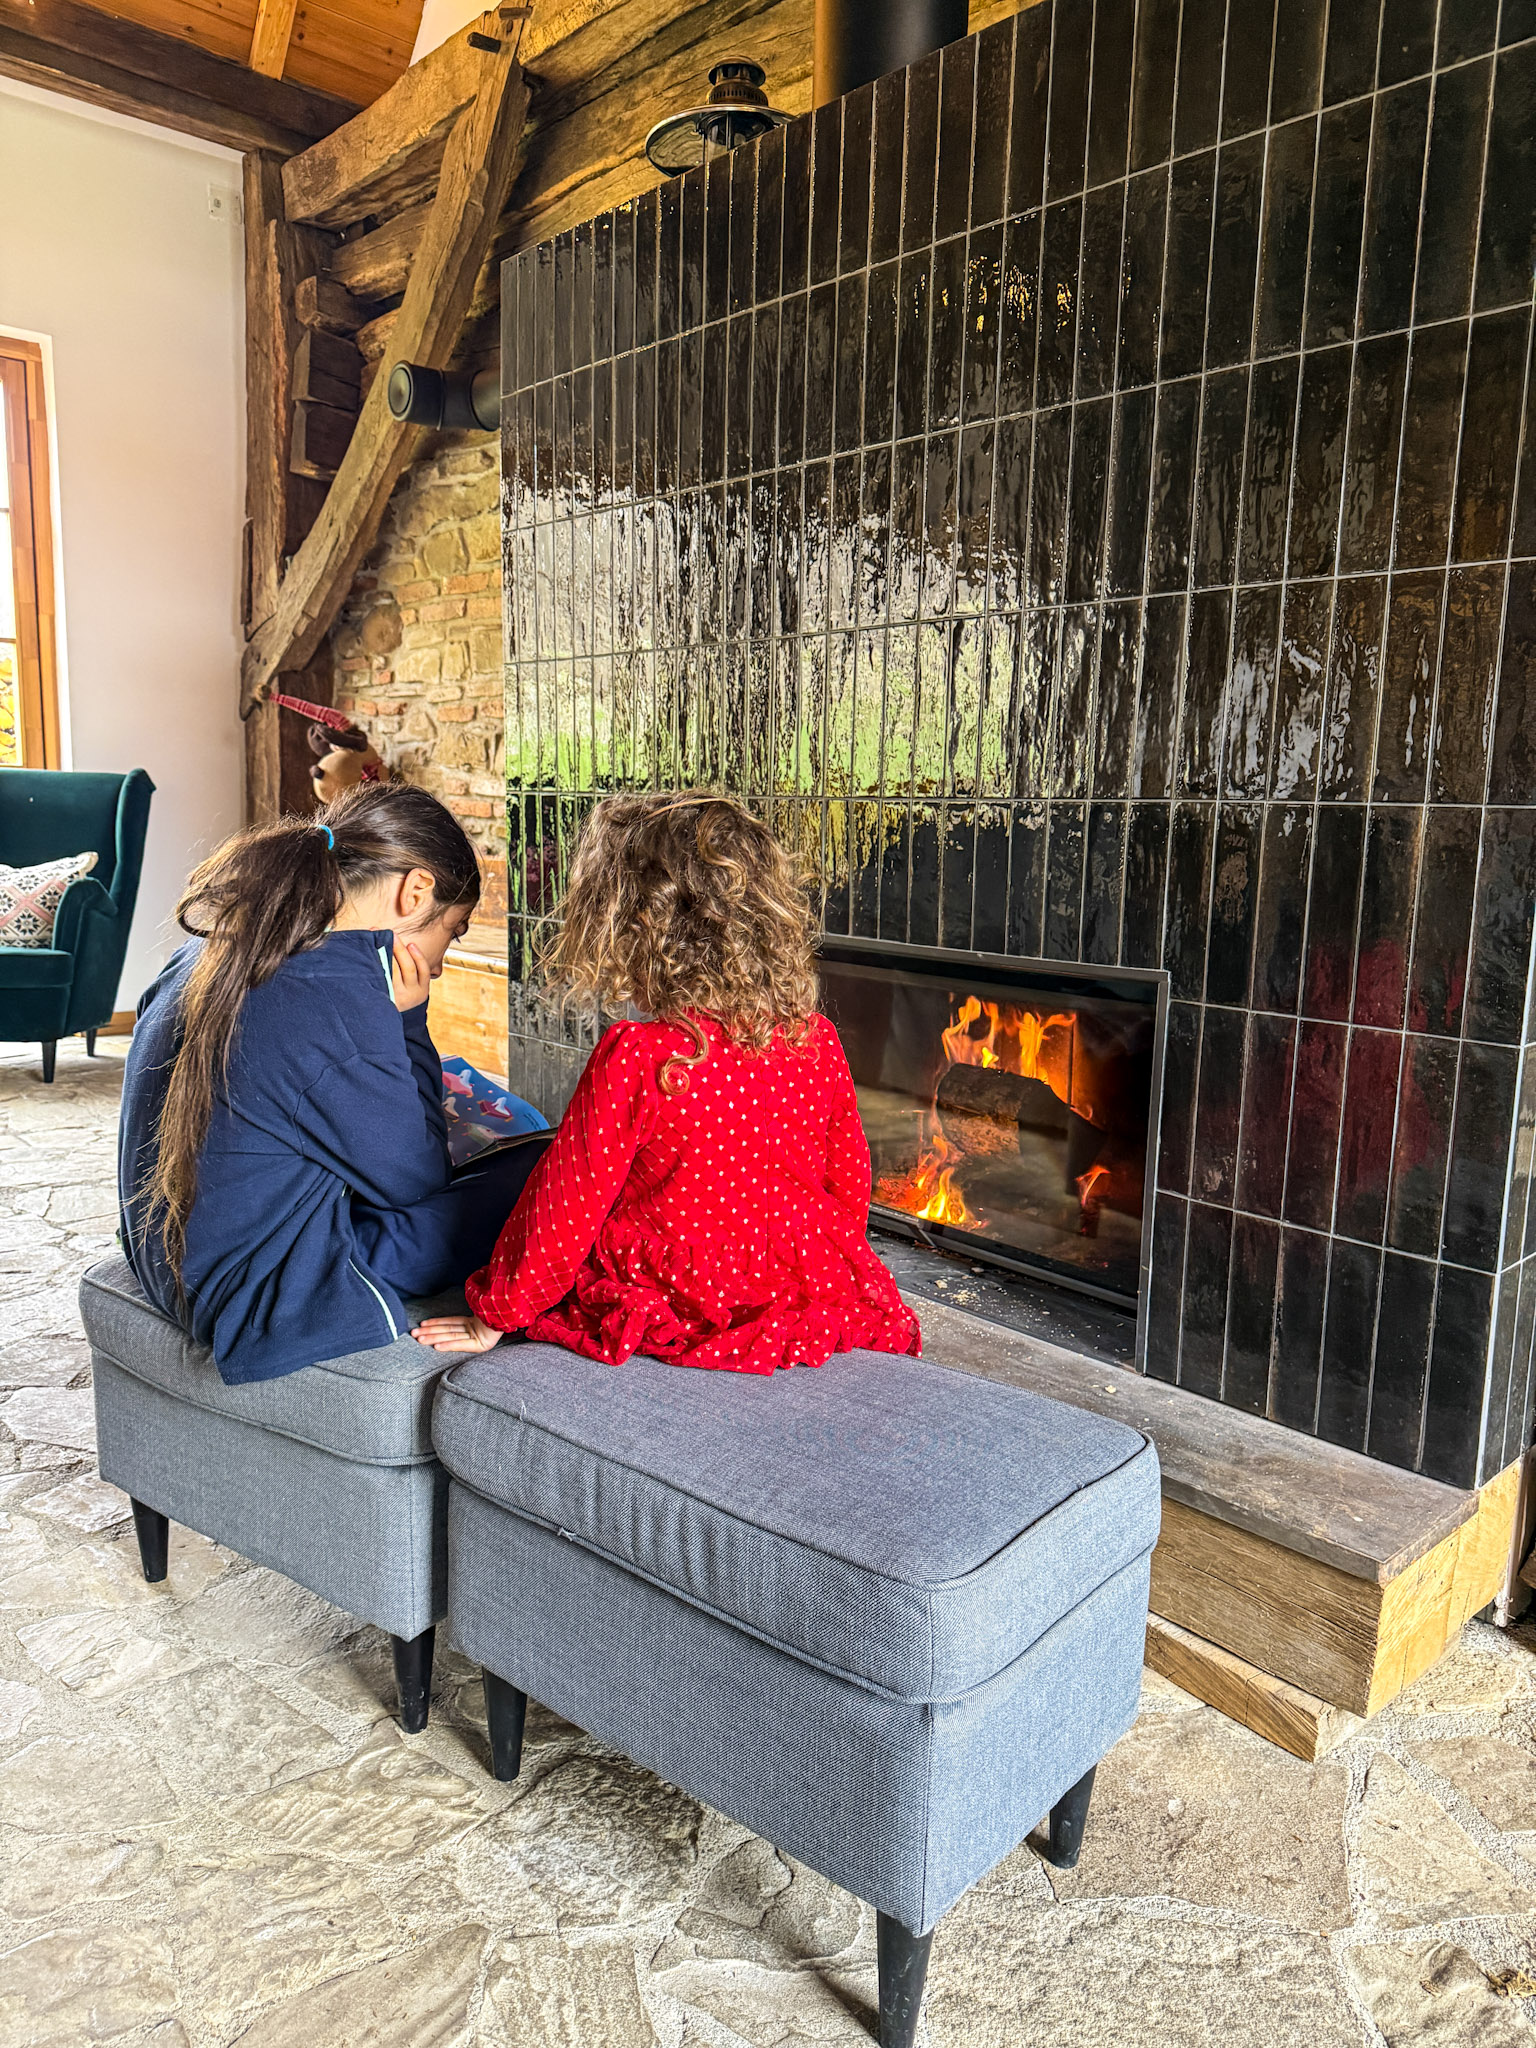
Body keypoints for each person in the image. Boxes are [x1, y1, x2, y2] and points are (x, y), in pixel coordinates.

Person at [413, 792, 921, 1372]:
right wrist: (828, 1271)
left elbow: (565, 1210)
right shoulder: (817, 1038)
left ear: (630, 928)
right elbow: (847, 1188)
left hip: (683, 1296)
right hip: (797, 1285)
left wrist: (498, 1312)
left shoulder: (639, 1056)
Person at [119, 783, 545, 1385]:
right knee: (546, 1172)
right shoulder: (334, 998)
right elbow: (417, 1183)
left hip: (165, 1256)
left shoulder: (214, 948)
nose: (444, 959)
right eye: (453, 930)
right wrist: (409, 1020)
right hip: (254, 1290)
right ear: (415, 890)